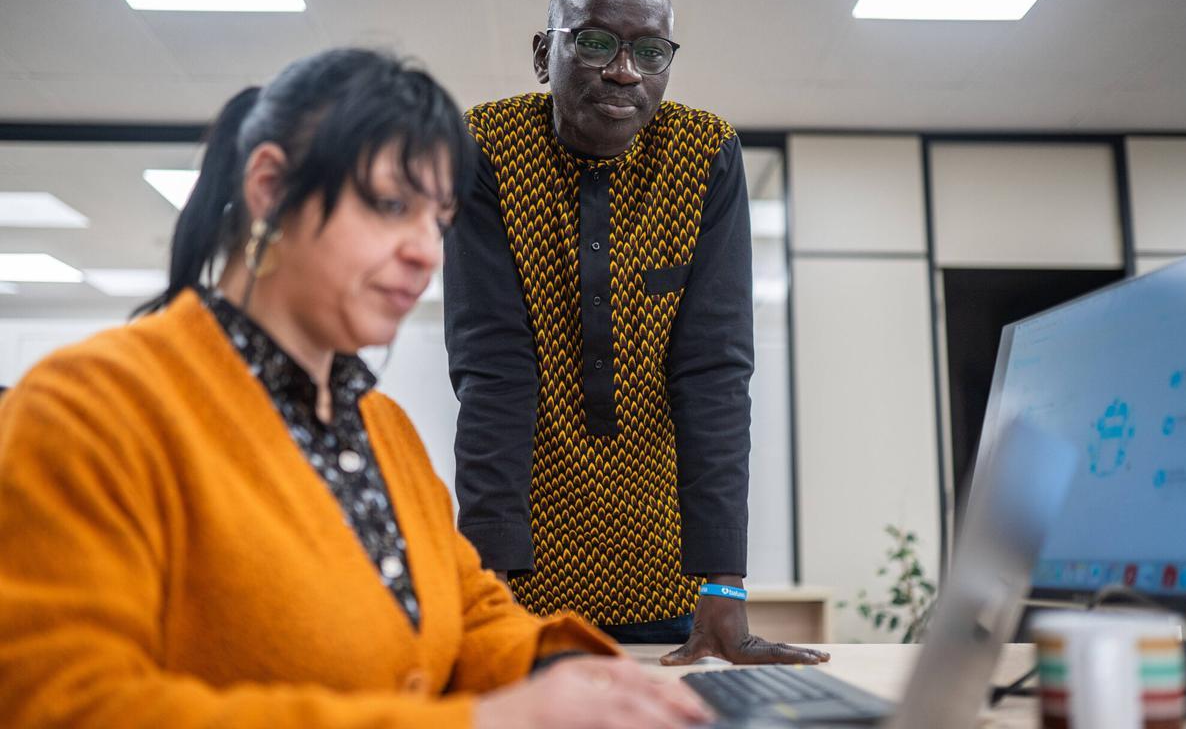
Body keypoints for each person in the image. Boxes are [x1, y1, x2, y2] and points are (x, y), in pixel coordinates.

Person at [0, 48, 713, 729]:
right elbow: (60, 706)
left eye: (439, 220)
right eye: (390, 205)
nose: (426, 251)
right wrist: (478, 719)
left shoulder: (382, 428)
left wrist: (563, 670)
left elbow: (468, 610)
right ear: (269, 188)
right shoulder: (91, 408)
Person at [444, 0, 831, 667]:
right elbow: (492, 369)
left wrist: (724, 582)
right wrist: (488, 580)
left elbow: (713, 374)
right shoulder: (487, 147)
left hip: (668, 577)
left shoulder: (705, 153)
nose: (625, 72)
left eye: (651, 51)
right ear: (544, 55)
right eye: (595, 43)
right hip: (523, 579)